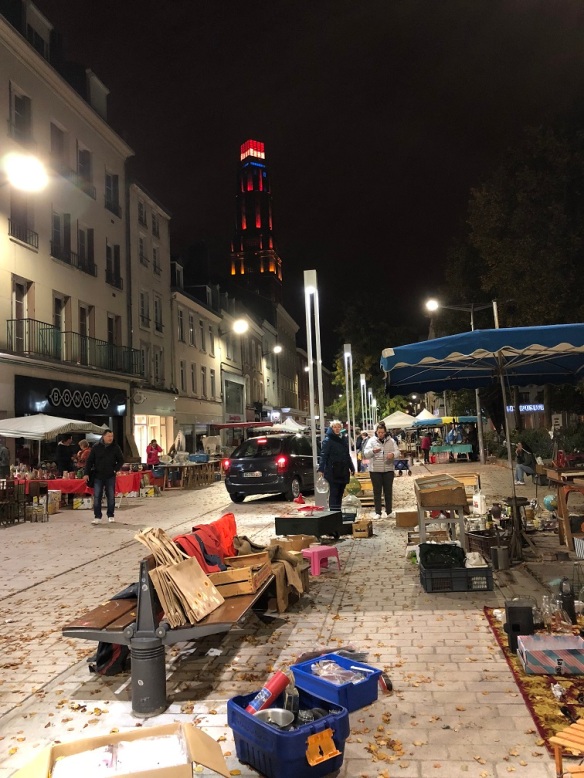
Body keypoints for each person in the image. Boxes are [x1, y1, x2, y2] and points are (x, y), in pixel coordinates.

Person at [84, 429, 124, 524]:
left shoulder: (115, 447)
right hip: (98, 475)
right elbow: (89, 461)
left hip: (110, 475)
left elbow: (121, 460)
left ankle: (111, 515)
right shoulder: (96, 447)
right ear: (103, 436)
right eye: (109, 436)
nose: (111, 438)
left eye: (112, 436)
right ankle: (97, 516)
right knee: (97, 496)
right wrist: (86, 473)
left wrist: (115, 469)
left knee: (111, 495)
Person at [363, 422, 400, 519]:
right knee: (377, 491)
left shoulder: (391, 441)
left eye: (382, 432)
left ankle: (389, 511)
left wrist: (393, 454)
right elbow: (366, 453)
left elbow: (397, 451)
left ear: (385, 432)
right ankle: (378, 512)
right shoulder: (371, 441)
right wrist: (373, 451)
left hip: (388, 469)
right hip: (375, 470)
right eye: (379, 432)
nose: (381, 434)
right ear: (376, 432)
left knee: (388, 491)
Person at [317, 420, 355, 512]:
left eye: (338, 427)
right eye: (335, 427)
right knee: (334, 493)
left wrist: (351, 467)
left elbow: (347, 455)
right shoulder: (328, 440)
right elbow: (324, 455)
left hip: (343, 470)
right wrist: (321, 469)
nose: (337, 429)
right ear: (331, 428)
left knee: (340, 493)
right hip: (333, 470)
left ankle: (338, 512)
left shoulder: (343, 439)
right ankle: (334, 513)